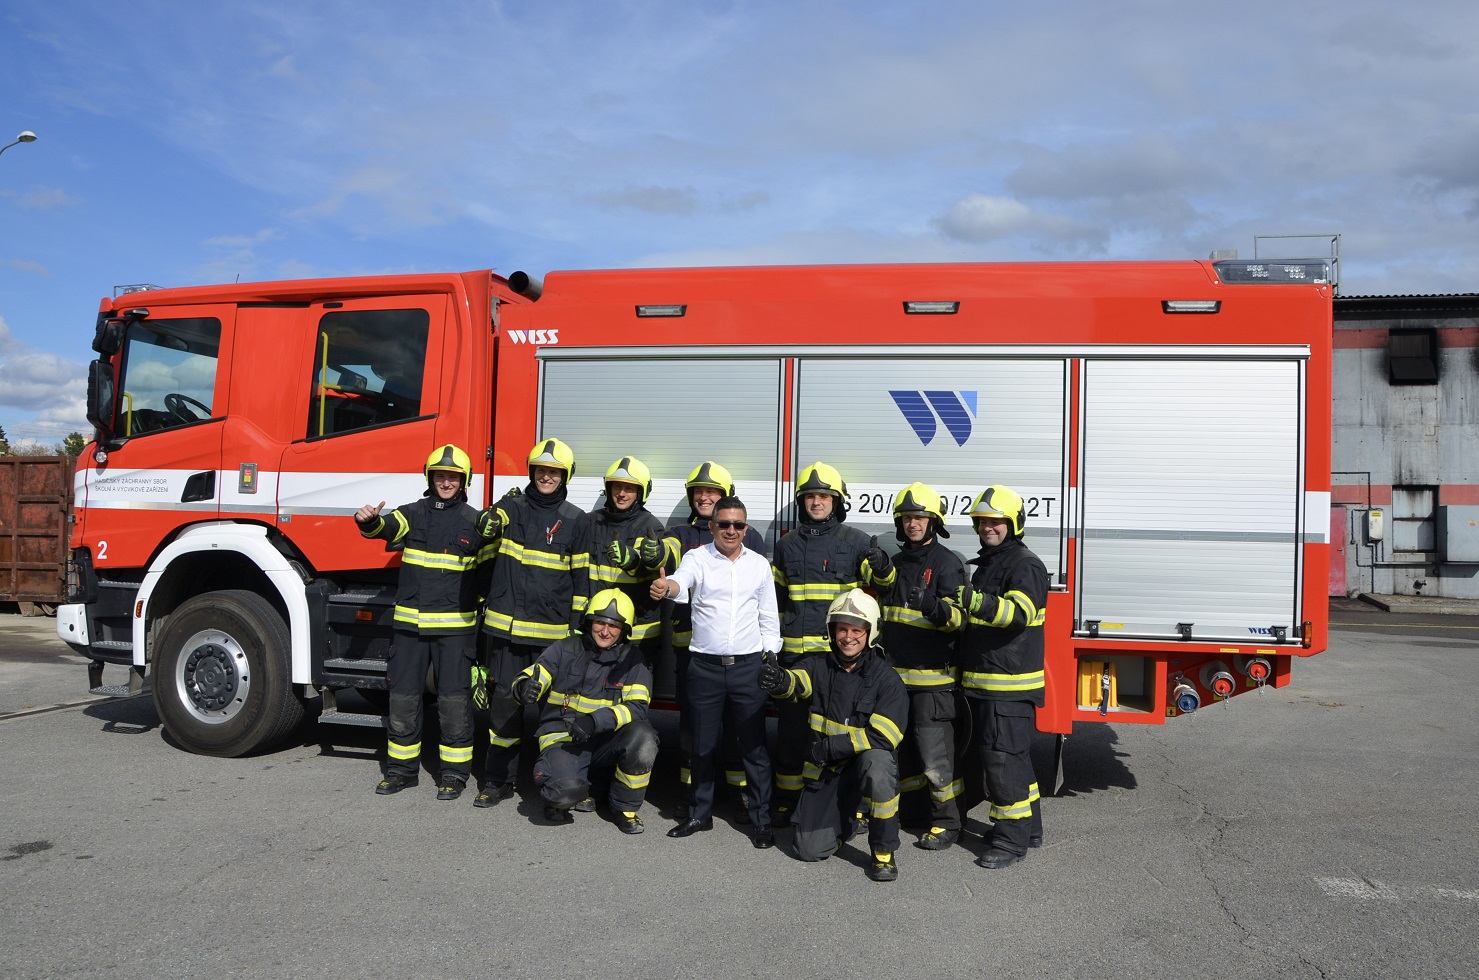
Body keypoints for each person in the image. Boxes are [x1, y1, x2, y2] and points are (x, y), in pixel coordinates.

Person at [354, 444, 490, 800]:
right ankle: (400, 770)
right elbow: (384, 527)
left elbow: (489, 575)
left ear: (464, 482)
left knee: (453, 703)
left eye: (453, 477)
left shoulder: (475, 522)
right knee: (402, 700)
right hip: (410, 630)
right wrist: (369, 521)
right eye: (440, 476)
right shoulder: (411, 513)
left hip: (454, 633)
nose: (446, 482)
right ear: (430, 478)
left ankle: (454, 775)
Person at [770, 461, 894, 826]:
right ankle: (788, 800)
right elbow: (776, 601)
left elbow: (883, 584)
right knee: (792, 733)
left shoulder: (855, 541)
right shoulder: (786, 545)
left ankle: (845, 802)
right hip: (795, 658)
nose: (816, 502)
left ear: (836, 502)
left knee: (838, 731)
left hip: (836, 661)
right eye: (809, 497)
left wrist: (881, 562)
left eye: (823, 496)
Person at [652, 495, 780, 846]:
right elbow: (680, 583)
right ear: (711, 526)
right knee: (701, 747)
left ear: (746, 528)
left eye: (738, 525)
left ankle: (761, 820)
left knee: (754, 747)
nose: (731, 530)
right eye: (724, 524)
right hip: (705, 668)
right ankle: (699, 814)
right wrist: (667, 587)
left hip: (748, 667)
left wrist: (771, 657)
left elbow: (768, 615)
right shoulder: (697, 558)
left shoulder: (758, 565)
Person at [759, 589, 910, 882]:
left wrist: (829, 748)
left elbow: (883, 736)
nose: (848, 637)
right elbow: (797, 682)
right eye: (842, 629)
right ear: (832, 631)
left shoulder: (886, 679)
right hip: (829, 773)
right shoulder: (819, 665)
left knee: (878, 767)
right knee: (808, 849)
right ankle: (850, 820)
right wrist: (778, 681)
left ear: (871, 632)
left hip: (860, 767)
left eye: (857, 630)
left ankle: (883, 853)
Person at [475, 437, 591, 808]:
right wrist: (492, 515)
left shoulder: (576, 520)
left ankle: (555, 785)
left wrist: (577, 633)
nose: (546, 476)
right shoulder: (511, 507)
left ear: (565, 476)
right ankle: (497, 781)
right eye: (541, 470)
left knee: (556, 715)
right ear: (532, 472)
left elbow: (582, 582)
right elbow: (488, 528)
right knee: (505, 711)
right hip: (508, 633)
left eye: (554, 472)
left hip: (553, 640)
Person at [947, 485, 1048, 868]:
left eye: (997, 521)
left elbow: (1018, 614)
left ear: (1014, 523)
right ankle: (1029, 828)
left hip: (1007, 686)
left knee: (1002, 763)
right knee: (1014, 761)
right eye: (983, 521)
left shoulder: (1025, 564)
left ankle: (1009, 842)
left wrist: (975, 601)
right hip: (988, 684)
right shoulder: (990, 562)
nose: (988, 528)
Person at [507, 589, 660, 833]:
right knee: (563, 794)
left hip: (604, 741)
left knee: (644, 738)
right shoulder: (565, 648)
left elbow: (637, 708)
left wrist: (595, 721)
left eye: (614, 626)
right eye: (600, 622)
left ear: (625, 630)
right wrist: (524, 687)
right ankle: (572, 790)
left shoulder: (634, 660)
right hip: (564, 739)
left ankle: (623, 809)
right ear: (589, 622)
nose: (605, 631)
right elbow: (535, 674)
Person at [875, 483, 968, 850]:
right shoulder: (897, 564)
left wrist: (935, 607)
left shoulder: (947, 564)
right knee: (902, 752)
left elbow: (959, 622)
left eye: (921, 517)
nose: (914, 524)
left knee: (935, 757)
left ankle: (948, 822)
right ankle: (913, 812)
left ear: (934, 522)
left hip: (933, 681)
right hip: (896, 680)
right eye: (908, 517)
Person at [588, 456, 667, 664]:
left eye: (629, 488)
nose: (621, 493)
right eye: (617, 487)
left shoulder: (651, 526)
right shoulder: (591, 521)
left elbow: (653, 568)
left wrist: (633, 561)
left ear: (641, 492)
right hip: (598, 629)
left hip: (637, 634)